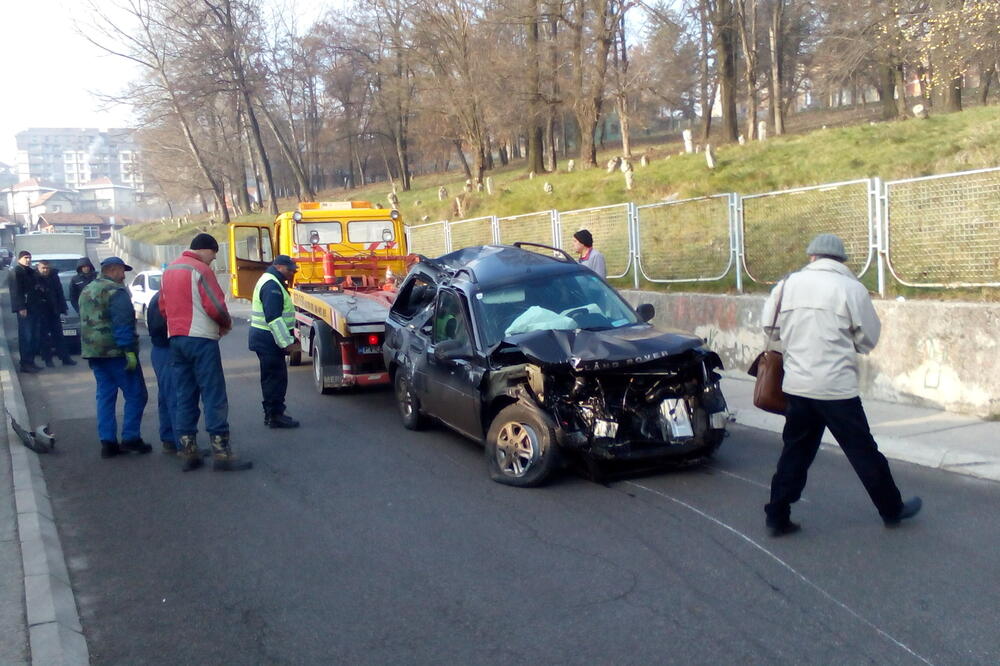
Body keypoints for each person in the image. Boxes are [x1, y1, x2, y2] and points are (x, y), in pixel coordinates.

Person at [761, 233, 921, 537]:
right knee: (863, 452)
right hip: (836, 389)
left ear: (812, 257)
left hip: (798, 386)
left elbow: (770, 327)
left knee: (795, 453)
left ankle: (777, 515)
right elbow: (867, 340)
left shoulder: (787, 285)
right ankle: (891, 509)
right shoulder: (851, 289)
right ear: (841, 260)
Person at [160, 233, 251, 472]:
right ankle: (221, 452)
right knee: (213, 393)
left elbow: (162, 306)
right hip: (201, 339)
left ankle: (187, 450)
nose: (213, 260)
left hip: (176, 338)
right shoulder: (200, 269)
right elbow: (215, 305)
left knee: (185, 393)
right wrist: (225, 324)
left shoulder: (169, 270)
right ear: (206, 250)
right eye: (213, 255)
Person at [79, 257, 151, 458]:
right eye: (122, 271)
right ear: (113, 270)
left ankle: (108, 443)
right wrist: (129, 351)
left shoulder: (87, 289)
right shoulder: (116, 292)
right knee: (136, 394)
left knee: (105, 396)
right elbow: (123, 323)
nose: (124, 275)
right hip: (116, 352)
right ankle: (131, 439)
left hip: (94, 352)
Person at [249, 255, 300, 429]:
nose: (292, 272)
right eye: (290, 269)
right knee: (274, 379)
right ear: (279, 267)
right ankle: (274, 416)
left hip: (266, 339)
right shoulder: (272, 285)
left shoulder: (271, 280)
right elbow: (274, 318)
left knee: (273, 377)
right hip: (268, 340)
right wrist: (286, 343)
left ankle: (273, 413)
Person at [146, 291, 180, 454]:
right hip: (168, 350)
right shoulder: (169, 297)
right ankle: (183, 442)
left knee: (166, 396)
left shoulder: (158, 297)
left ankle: (169, 438)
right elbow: (163, 327)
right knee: (175, 396)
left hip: (159, 350)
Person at [9, 251, 45, 373]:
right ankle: (25, 363)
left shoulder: (30, 272)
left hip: (34, 308)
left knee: (34, 337)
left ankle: (31, 361)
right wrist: (20, 307)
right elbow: (16, 291)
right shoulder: (16, 271)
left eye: (30, 258)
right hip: (25, 309)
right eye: (26, 258)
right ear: (19, 259)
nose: (28, 260)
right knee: (26, 337)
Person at [35, 261, 76, 367]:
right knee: (44, 337)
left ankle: (65, 358)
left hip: (54, 310)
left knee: (59, 335)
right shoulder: (34, 278)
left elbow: (59, 292)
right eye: (43, 268)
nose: (45, 270)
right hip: (41, 311)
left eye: (47, 268)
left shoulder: (54, 277)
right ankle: (48, 360)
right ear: (38, 268)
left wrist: (63, 308)